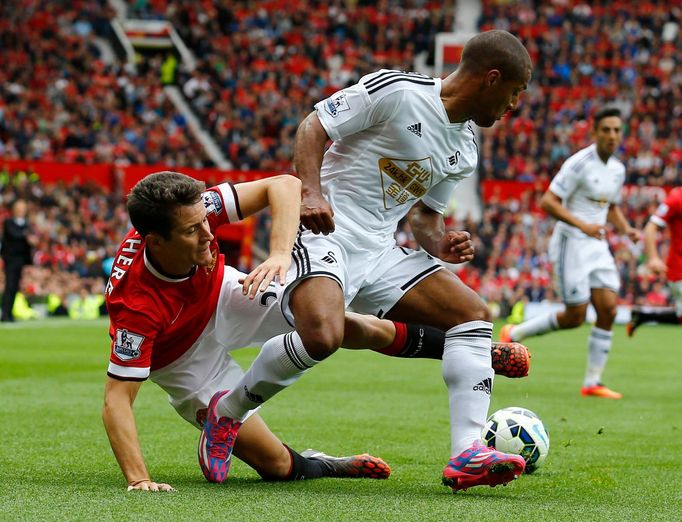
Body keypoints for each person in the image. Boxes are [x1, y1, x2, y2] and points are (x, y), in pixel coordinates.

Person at [200, 29, 533, 493]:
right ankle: (227, 412)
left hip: (379, 247)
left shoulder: (465, 149)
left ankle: (467, 452)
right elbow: (314, 127)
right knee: (323, 335)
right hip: (325, 229)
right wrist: (312, 192)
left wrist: (441, 243)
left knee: (472, 316)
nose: (514, 104)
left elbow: (424, 217)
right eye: (515, 92)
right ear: (491, 78)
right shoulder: (398, 91)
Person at [103, 171, 528, 491]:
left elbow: (285, 185)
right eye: (193, 231)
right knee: (274, 466)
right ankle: (324, 463)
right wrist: (139, 480)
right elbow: (117, 401)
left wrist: (278, 255)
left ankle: (472, 350)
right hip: (181, 358)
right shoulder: (136, 309)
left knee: (329, 326)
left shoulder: (193, 211)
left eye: (205, 221)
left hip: (223, 295)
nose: (208, 233)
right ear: (154, 242)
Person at [500, 108, 641, 399]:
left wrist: (627, 230)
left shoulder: (617, 169)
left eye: (617, 130)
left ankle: (592, 383)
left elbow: (610, 207)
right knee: (575, 316)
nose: (612, 135)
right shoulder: (579, 164)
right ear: (595, 132)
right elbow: (548, 201)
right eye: (606, 130)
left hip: (596, 244)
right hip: (571, 242)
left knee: (608, 310)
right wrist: (583, 225)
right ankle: (514, 334)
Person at [627, 186, 682, 334]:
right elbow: (650, 227)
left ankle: (643, 316)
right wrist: (653, 258)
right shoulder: (677, 197)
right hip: (679, 268)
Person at [1, 199, 37, 322]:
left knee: (16, 286)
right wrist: (27, 235)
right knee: (9, 285)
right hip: (11, 259)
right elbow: (14, 235)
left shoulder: (26, 224)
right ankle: (5, 314)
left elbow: (30, 238)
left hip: (21, 259)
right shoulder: (9, 222)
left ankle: (9, 314)